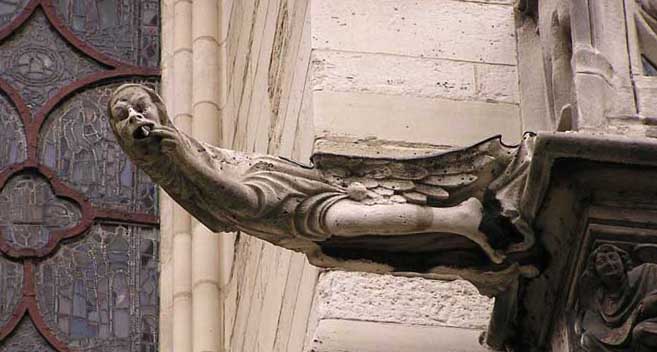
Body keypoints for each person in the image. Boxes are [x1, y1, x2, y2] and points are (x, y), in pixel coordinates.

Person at [108, 84, 536, 280]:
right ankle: (463, 224)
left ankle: (464, 217)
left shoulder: (181, 152)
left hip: (275, 196)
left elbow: (244, 202)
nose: (135, 117)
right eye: (123, 117)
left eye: (140, 106)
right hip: (273, 217)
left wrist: (181, 156)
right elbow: (223, 217)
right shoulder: (173, 169)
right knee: (355, 234)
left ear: (159, 107)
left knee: (346, 222)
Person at [577, 244, 657, 352]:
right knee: (588, 340)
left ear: (623, 261)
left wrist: (652, 299)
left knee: (641, 332)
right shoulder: (599, 299)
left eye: (613, 258)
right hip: (619, 339)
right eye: (601, 262)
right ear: (595, 272)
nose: (609, 263)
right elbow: (589, 324)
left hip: (650, 323)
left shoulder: (647, 271)